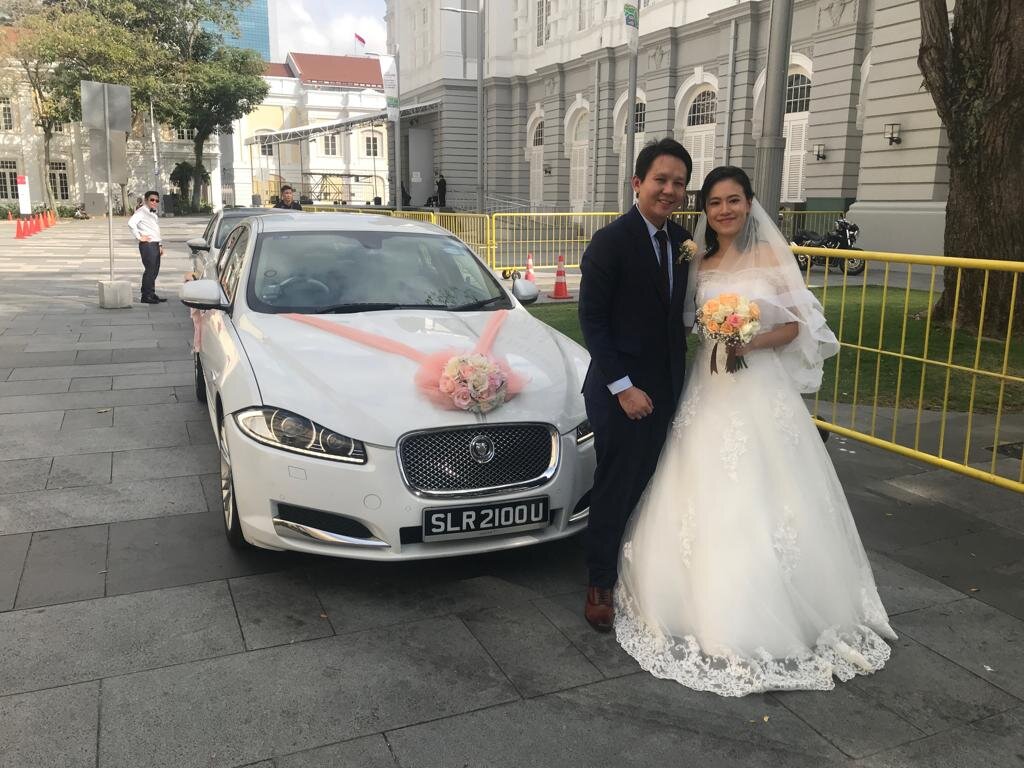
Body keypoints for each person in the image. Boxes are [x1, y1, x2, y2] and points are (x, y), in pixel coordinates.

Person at [614, 166, 896, 696]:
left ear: (749, 204)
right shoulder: (697, 259)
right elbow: (686, 321)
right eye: (715, 202)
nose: (724, 210)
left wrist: (748, 341)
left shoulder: (771, 257)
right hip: (709, 386)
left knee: (769, 486)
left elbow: (794, 327)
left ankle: (784, 604)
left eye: (734, 200)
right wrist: (715, 333)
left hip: (759, 383)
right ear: (706, 209)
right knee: (701, 481)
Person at [577, 138, 694, 632]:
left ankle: (640, 568)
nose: (669, 190)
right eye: (660, 180)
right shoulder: (610, 241)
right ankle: (600, 579)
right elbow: (592, 321)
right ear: (637, 183)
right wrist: (623, 388)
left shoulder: (684, 242)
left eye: (679, 183)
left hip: (667, 386)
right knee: (616, 483)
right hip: (617, 389)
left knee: (655, 483)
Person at [127, 190, 165, 303]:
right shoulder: (141, 211)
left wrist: (160, 244)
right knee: (150, 270)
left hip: (155, 244)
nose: (154, 202)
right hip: (147, 245)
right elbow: (131, 223)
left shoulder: (152, 212)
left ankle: (151, 293)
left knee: (155, 270)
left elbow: (155, 230)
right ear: (146, 200)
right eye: (152, 200)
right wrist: (139, 237)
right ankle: (146, 296)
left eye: (156, 200)